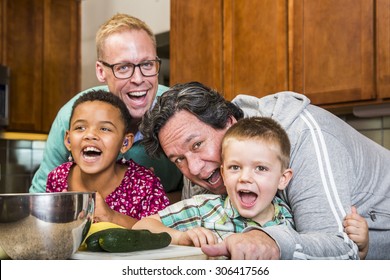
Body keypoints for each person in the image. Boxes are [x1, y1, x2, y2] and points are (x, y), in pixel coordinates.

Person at [139, 81, 390, 260]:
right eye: (178, 159)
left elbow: (341, 250)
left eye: (197, 145)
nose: (193, 168)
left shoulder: (303, 137)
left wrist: (270, 241)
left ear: (229, 122)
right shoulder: (206, 167)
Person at [29, 13, 183, 201]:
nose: (138, 79)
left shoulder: (179, 113)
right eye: (123, 67)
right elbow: (40, 198)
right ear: (101, 71)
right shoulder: (72, 116)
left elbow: (200, 196)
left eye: (147, 64)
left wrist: (150, 199)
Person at [134, 117, 295, 247]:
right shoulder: (204, 208)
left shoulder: (287, 218)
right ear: (223, 173)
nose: (245, 177)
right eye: (235, 167)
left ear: (283, 179)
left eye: (260, 168)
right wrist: (180, 237)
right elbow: (141, 227)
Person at [46, 90, 170, 229]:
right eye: (80, 127)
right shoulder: (57, 178)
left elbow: (164, 234)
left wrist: (110, 216)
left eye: (104, 129)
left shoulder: (145, 184)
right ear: (68, 140)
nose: (90, 135)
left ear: (125, 143)